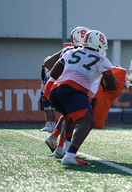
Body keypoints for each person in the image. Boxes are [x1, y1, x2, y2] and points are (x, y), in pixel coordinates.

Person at [50, 30, 116, 165]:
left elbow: (54, 74)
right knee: (88, 122)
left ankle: (61, 149)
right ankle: (71, 155)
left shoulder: (70, 52)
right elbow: (112, 86)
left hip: (56, 90)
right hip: (73, 90)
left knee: (68, 116)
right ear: (100, 44)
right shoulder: (103, 60)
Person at [44, 26, 90, 155]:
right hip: (64, 85)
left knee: (68, 115)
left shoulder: (68, 49)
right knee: (73, 114)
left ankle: (56, 140)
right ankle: (62, 146)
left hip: (51, 84)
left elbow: (47, 63)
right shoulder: (85, 53)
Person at [40, 56, 57, 132]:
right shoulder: (53, 72)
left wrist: (43, 68)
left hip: (47, 92)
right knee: (52, 109)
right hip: (52, 92)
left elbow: (43, 78)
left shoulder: (49, 73)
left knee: (48, 110)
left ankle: (48, 125)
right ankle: (53, 125)